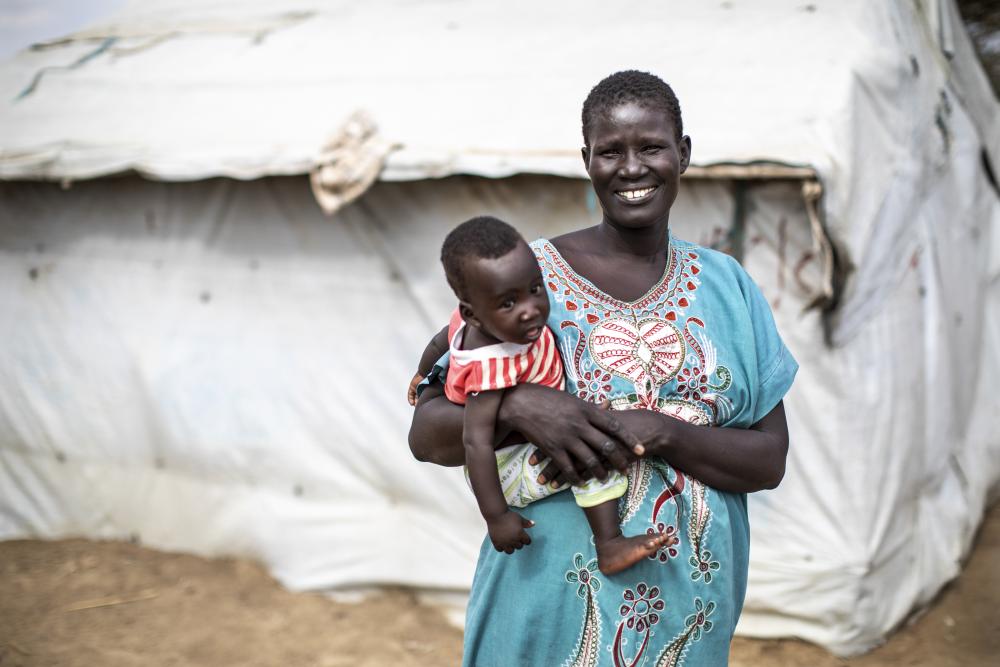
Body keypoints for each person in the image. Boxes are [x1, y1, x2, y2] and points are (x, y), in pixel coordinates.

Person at [409, 70, 798, 666]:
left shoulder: (730, 288)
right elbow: (426, 435)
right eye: (610, 152)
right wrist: (519, 405)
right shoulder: (524, 278)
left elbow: (768, 461)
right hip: (543, 611)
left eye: (651, 147)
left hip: (686, 620)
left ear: (684, 154)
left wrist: (665, 430)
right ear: (586, 160)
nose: (632, 167)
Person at [410, 216, 672, 574]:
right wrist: (497, 516)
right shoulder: (490, 369)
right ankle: (608, 543)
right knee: (591, 449)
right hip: (507, 468)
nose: (530, 309)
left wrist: (423, 373)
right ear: (474, 315)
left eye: (535, 289)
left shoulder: (470, 318)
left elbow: (443, 338)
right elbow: (477, 443)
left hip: (507, 450)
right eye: (508, 304)